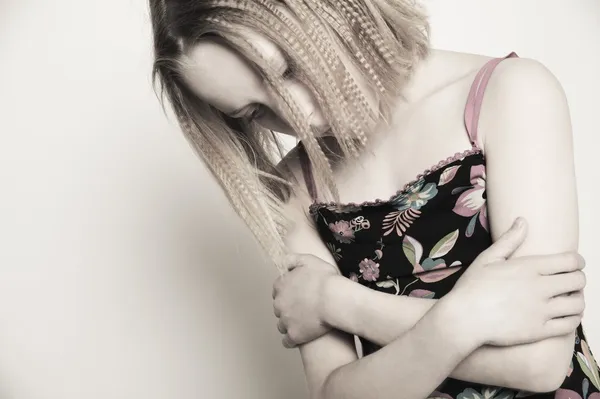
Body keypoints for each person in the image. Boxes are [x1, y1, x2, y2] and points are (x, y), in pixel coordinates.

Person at [148, 1, 599, 398]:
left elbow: (539, 364)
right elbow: (333, 393)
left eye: (285, 69)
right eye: (255, 112)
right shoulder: (293, 188)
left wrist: (337, 302)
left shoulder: (511, 91)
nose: (294, 114)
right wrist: (459, 321)